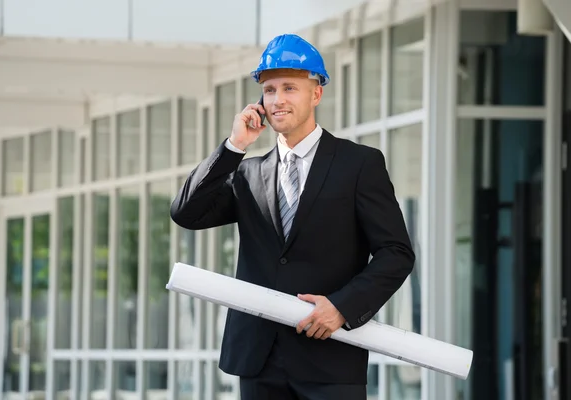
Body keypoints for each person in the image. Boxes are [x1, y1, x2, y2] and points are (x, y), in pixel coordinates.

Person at [170, 33, 415, 400]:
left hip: (329, 356)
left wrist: (342, 307)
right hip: (258, 358)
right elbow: (186, 212)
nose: (277, 100)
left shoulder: (359, 165)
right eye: (269, 90)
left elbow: (396, 252)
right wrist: (235, 146)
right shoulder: (247, 173)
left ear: (316, 94)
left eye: (290, 88)